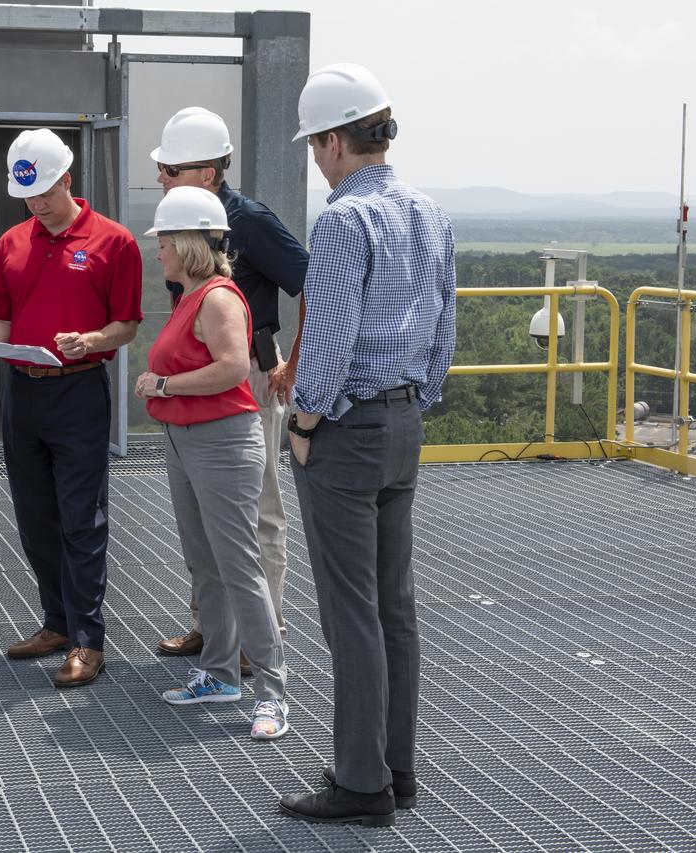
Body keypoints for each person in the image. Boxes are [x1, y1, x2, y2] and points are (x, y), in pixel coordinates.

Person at [278, 64, 455, 824]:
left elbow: (330, 336)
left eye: (317, 144)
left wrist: (304, 423)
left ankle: (361, 784)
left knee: (350, 613)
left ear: (333, 141)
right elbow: (446, 323)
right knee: (395, 609)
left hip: (347, 430)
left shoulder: (345, 221)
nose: (317, 159)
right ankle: (396, 768)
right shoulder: (428, 212)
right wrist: (420, 399)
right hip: (406, 421)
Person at [0, 128, 142, 688]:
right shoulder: (12, 241)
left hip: (79, 391)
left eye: (44, 193)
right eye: (28, 197)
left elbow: (128, 324)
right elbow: (1, 313)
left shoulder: (116, 242)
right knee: (35, 515)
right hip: (22, 392)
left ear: (68, 179)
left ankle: (89, 640)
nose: (37, 205)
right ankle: (57, 621)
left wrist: (89, 341)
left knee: (81, 519)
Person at [149, 108, 309, 667]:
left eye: (172, 169)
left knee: (258, 510)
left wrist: (290, 365)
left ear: (210, 173)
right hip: (199, 382)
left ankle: (260, 637)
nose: (163, 178)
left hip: (250, 379)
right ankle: (213, 627)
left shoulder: (250, 221)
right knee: (201, 513)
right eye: (163, 169)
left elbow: (311, 282)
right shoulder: (186, 220)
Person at [135, 186, 289, 740]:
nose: (159, 253)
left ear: (187, 243)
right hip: (186, 440)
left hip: (221, 442)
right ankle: (221, 673)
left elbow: (230, 369)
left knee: (239, 566)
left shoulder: (219, 298)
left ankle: (272, 690)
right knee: (207, 564)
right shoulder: (193, 296)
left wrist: (163, 384)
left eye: (164, 244)